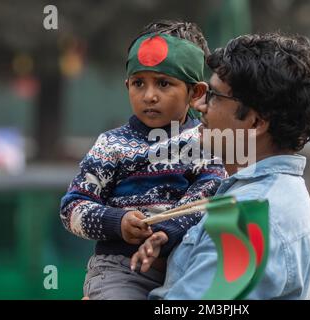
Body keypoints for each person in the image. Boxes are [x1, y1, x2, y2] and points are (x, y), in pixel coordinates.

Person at [132, 32, 310, 299]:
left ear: (256, 123)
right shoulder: (264, 195)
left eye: (213, 95)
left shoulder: (250, 216)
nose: (199, 104)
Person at [60, 20, 226, 300]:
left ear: (196, 93)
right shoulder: (110, 145)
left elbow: (210, 197)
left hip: (189, 269)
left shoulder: (207, 141)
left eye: (164, 83)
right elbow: (72, 208)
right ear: (127, 86)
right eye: (139, 83)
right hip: (121, 271)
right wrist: (118, 222)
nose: (149, 95)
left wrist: (167, 230)